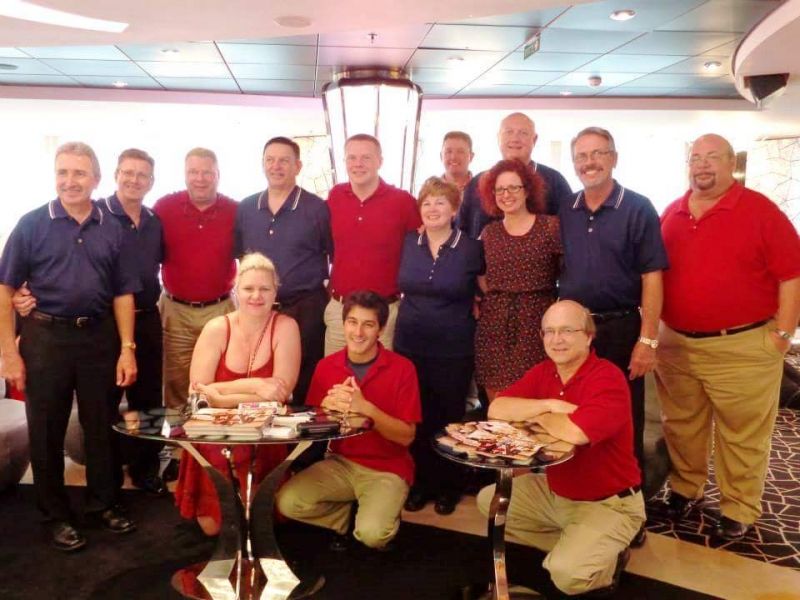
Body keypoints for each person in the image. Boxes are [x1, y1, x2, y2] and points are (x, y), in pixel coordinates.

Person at [657, 133, 800, 541]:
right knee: (681, 425)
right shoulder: (672, 212)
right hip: (677, 344)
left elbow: (793, 274)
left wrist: (783, 334)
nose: (702, 165)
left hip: (742, 346)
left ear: (731, 163)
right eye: (696, 157)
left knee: (742, 434)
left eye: (712, 157)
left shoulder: (760, 210)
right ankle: (686, 489)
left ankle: (738, 508)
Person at [0, 142, 139, 551]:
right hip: (45, 338)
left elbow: (123, 294)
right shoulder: (31, 224)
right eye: (63, 172)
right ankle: (55, 515)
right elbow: (5, 290)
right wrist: (8, 352)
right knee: (46, 429)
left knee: (101, 425)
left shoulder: (114, 228)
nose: (69, 181)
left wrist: (127, 348)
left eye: (79, 173)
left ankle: (103, 504)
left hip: (99, 337)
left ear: (96, 179)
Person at [13, 148, 167, 495]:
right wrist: (19, 296)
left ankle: (145, 469)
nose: (134, 180)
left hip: (143, 321)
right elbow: (21, 276)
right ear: (113, 176)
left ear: (151, 182)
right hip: (98, 324)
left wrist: (130, 343)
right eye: (128, 173)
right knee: (97, 412)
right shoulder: (95, 215)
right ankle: (93, 486)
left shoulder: (153, 221)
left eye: (142, 175)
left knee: (148, 402)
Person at [477, 300, 644, 597]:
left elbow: (576, 432)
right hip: (557, 493)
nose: (557, 339)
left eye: (567, 330)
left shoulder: (607, 378)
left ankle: (608, 560)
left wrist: (536, 415)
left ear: (588, 336)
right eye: (549, 331)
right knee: (490, 501)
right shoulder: (544, 372)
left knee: (567, 576)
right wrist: (550, 406)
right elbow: (497, 408)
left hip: (610, 503)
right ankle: (583, 545)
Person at [558, 127, 668, 470]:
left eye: (598, 153)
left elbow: (652, 276)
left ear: (614, 158)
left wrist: (647, 341)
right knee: (575, 409)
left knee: (623, 414)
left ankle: (626, 487)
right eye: (581, 156)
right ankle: (580, 482)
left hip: (621, 327)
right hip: (574, 331)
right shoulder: (566, 209)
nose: (589, 162)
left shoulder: (638, 207)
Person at [277, 290, 421, 550]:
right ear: (343, 324)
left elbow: (407, 437)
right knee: (287, 502)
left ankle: (372, 517)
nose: (358, 332)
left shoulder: (403, 369)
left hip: (387, 468)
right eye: (352, 322)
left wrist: (367, 410)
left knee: (373, 536)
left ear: (381, 329)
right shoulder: (326, 366)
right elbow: (311, 426)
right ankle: (346, 517)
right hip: (339, 463)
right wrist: (325, 410)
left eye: (368, 324)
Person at [174, 252, 301, 536]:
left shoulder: (286, 327)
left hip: (264, 433)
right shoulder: (217, 328)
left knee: (253, 523)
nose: (256, 296)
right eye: (249, 288)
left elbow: (280, 393)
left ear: (275, 292)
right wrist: (257, 386)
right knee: (213, 527)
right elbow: (197, 393)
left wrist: (220, 395)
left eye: (264, 288)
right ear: (235, 290)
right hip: (215, 431)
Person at [394, 177, 483, 515]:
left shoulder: (471, 248)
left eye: (440, 202)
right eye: (427, 202)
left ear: (454, 209)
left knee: (448, 417)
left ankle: (449, 485)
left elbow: (486, 290)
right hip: (410, 343)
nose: (432, 208)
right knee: (416, 415)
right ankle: (420, 483)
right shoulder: (408, 242)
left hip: (453, 347)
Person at [235, 136, 331, 406]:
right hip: (258, 309)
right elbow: (241, 258)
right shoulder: (246, 208)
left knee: (305, 379)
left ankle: (303, 433)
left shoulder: (317, 208)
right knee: (260, 377)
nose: (276, 166)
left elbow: (334, 255)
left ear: (297, 166)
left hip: (305, 308)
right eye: (270, 160)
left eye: (284, 161)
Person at [154, 148, 237, 409]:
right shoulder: (164, 208)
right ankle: (179, 434)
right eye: (193, 172)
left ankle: (215, 433)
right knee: (177, 382)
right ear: (184, 174)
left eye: (207, 172)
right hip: (176, 311)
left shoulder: (235, 211)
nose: (200, 179)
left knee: (221, 380)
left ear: (218, 175)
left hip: (221, 308)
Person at [324, 134, 422, 355]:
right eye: (352, 158)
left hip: (383, 313)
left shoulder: (402, 201)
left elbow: (423, 244)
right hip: (340, 311)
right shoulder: (336, 196)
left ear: (380, 161)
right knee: (333, 374)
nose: (358, 164)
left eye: (366, 158)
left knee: (381, 375)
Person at [474, 159, 562, 400]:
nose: (507, 194)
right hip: (494, 325)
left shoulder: (550, 227)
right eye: (500, 189)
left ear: (527, 190)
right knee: (498, 402)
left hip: (537, 322)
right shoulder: (489, 233)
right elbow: (479, 274)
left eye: (514, 187)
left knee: (536, 399)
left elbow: (567, 273)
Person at [458, 112, 572, 238]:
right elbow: (462, 231)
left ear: (534, 139)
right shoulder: (477, 183)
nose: (515, 139)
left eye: (523, 133)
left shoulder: (554, 181)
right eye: (509, 132)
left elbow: (570, 230)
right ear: (498, 138)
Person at [440, 131, 475, 199]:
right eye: (449, 151)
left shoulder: (482, 190)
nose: (453, 157)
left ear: (471, 156)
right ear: (441, 156)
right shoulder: (429, 191)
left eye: (460, 152)